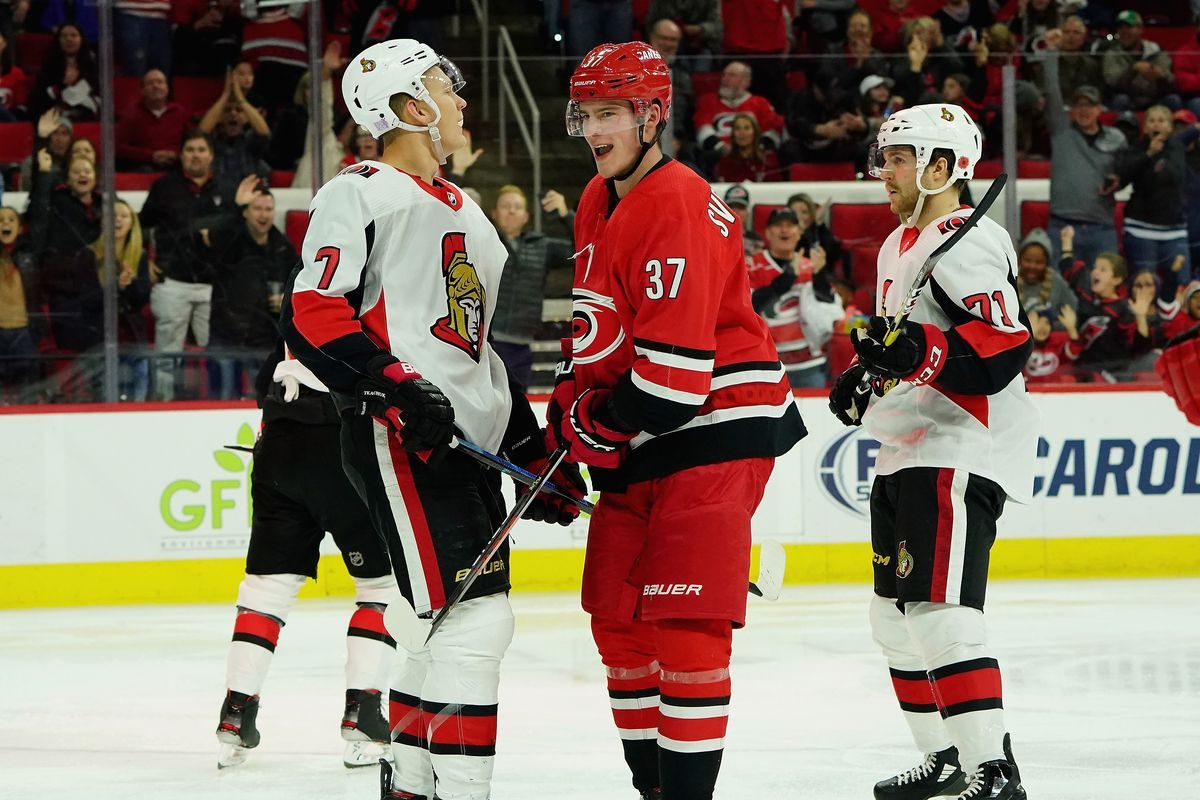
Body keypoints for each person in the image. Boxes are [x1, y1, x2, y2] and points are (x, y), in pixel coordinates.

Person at [279, 39, 585, 800]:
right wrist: (393, 386)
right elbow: (313, 313)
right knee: (475, 624)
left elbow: (476, 355)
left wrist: (535, 451)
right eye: (448, 91)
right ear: (412, 108)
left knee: (439, 627)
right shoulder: (359, 190)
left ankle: (412, 784)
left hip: (466, 446)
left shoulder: (472, 212)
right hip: (402, 440)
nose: (460, 104)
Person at [556, 41, 806, 800]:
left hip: (716, 425)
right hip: (645, 431)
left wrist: (590, 427)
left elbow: (671, 386)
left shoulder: (678, 205)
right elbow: (597, 334)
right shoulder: (599, 199)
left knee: (684, 626)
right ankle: (654, 788)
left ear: (652, 114)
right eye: (586, 114)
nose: (594, 130)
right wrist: (562, 436)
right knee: (616, 622)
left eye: (610, 113)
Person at [827, 103, 1033, 800]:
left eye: (898, 158)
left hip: (958, 445)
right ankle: (946, 757)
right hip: (909, 444)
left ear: (943, 167)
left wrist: (919, 350)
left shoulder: (966, 241)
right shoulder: (898, 245)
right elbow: (911, 344)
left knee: (941, 611)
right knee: (892, 616)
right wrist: (870, 375)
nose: (884, 171)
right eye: (885, 157)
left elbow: (1003, 347)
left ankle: (993, 772)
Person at [215, 343, 399, 770]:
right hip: (341, 441)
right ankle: (363, 716)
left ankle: (236, 714)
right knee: (381, 586)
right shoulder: (373, 289)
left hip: (280, 442)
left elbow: (267, 381)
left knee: (266, 588)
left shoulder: (302, 290)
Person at [140, 130, 260, 400]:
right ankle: (162, 403)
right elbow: (141, 225)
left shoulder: (228, 190)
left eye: (201, 150)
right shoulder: (164, 186)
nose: (196, 155)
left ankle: (217, 404)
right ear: (182, 155)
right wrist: (142, 260)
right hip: (172, 282)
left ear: (211, 156)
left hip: (215, 287)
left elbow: (236, 236)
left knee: (219, 354)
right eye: (190, 150)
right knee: (167, 355)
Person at [1038, 27, 1126, 267]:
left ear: (1100, 109)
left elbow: (1127, 171)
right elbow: (1051, 90)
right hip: (1062, 226)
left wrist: (1121, 178)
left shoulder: (1117, 138)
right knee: (1058, 290)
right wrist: (1051, 53)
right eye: (1080, 105)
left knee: (1105, 292)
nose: (1084, 110)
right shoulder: (1062, 132)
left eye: (1090, 105)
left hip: (1102, 228)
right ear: (1073, 110)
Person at [205, 187, 297, 399]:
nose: (263, 215)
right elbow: (213, 234)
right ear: (245, 212)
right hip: (225, 333)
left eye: (268, 209)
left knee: (263, 397)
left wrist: (286, 298)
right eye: (256, 209)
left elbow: (298, 284)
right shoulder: (230, 242)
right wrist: (234, 207)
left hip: (264, 336)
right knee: (222, 397)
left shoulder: (283, 247)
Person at [489, 184, 576, 387]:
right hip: (488, 342)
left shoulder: (542, 245)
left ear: (526, 216)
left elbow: (579, 250)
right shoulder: (485, 240)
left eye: (517, 206)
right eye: (506, 206)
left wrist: (565, 214)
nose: (512, 210)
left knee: (518, 410)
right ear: (493, 213)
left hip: (522, 345)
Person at [746, 207, 843, 387]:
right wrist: (788, 277)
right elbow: (749, 306)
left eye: (790, 226)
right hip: (767, 364)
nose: (784, 230)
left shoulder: (810, 265)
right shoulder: (752, 265)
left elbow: (830, 308)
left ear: (799, 233)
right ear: (767, 233)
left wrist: (820, 273)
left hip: (810, 364)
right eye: (778, 226)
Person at [1112, 105, 1190, 304]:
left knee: (1182, 286)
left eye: (1162, 120)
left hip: (1175, 230)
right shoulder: (1136, 148)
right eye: (1152, 120)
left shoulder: (1178, 148)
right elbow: (1124, 175)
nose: (1156, 124)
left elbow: (1174, 177)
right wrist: (1149, 154)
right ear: (1145, 126)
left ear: (1171, 127)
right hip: (1141, 230)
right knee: (1143, 287)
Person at [197, 69, 273, 203]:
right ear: (220, 117)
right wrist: (225, 95)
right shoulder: (212, 142)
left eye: (238, 110)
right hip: (216, 201)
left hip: (247, 201)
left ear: (246, 117)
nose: (233, 114)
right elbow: (201, 132)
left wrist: (240, 98)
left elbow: (264, 132)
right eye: (227, 110)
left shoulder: (251, 141)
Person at [115, 68, 190, 172]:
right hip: (143, 166)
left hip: (176, 165)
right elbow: (119, 147)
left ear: (167, 88)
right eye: (150, 83)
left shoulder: (179, 111)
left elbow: (191, 141)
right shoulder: (131, 113)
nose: (156, 86)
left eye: (160, 82)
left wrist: (176, 154)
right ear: (142, 90)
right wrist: (151, 155)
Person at [713, 112, 781, 183]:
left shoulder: (768, 160)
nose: (742, 132)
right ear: (733, 134)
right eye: (737, 128)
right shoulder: (724, 163)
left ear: (755, 132)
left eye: (746, 128)